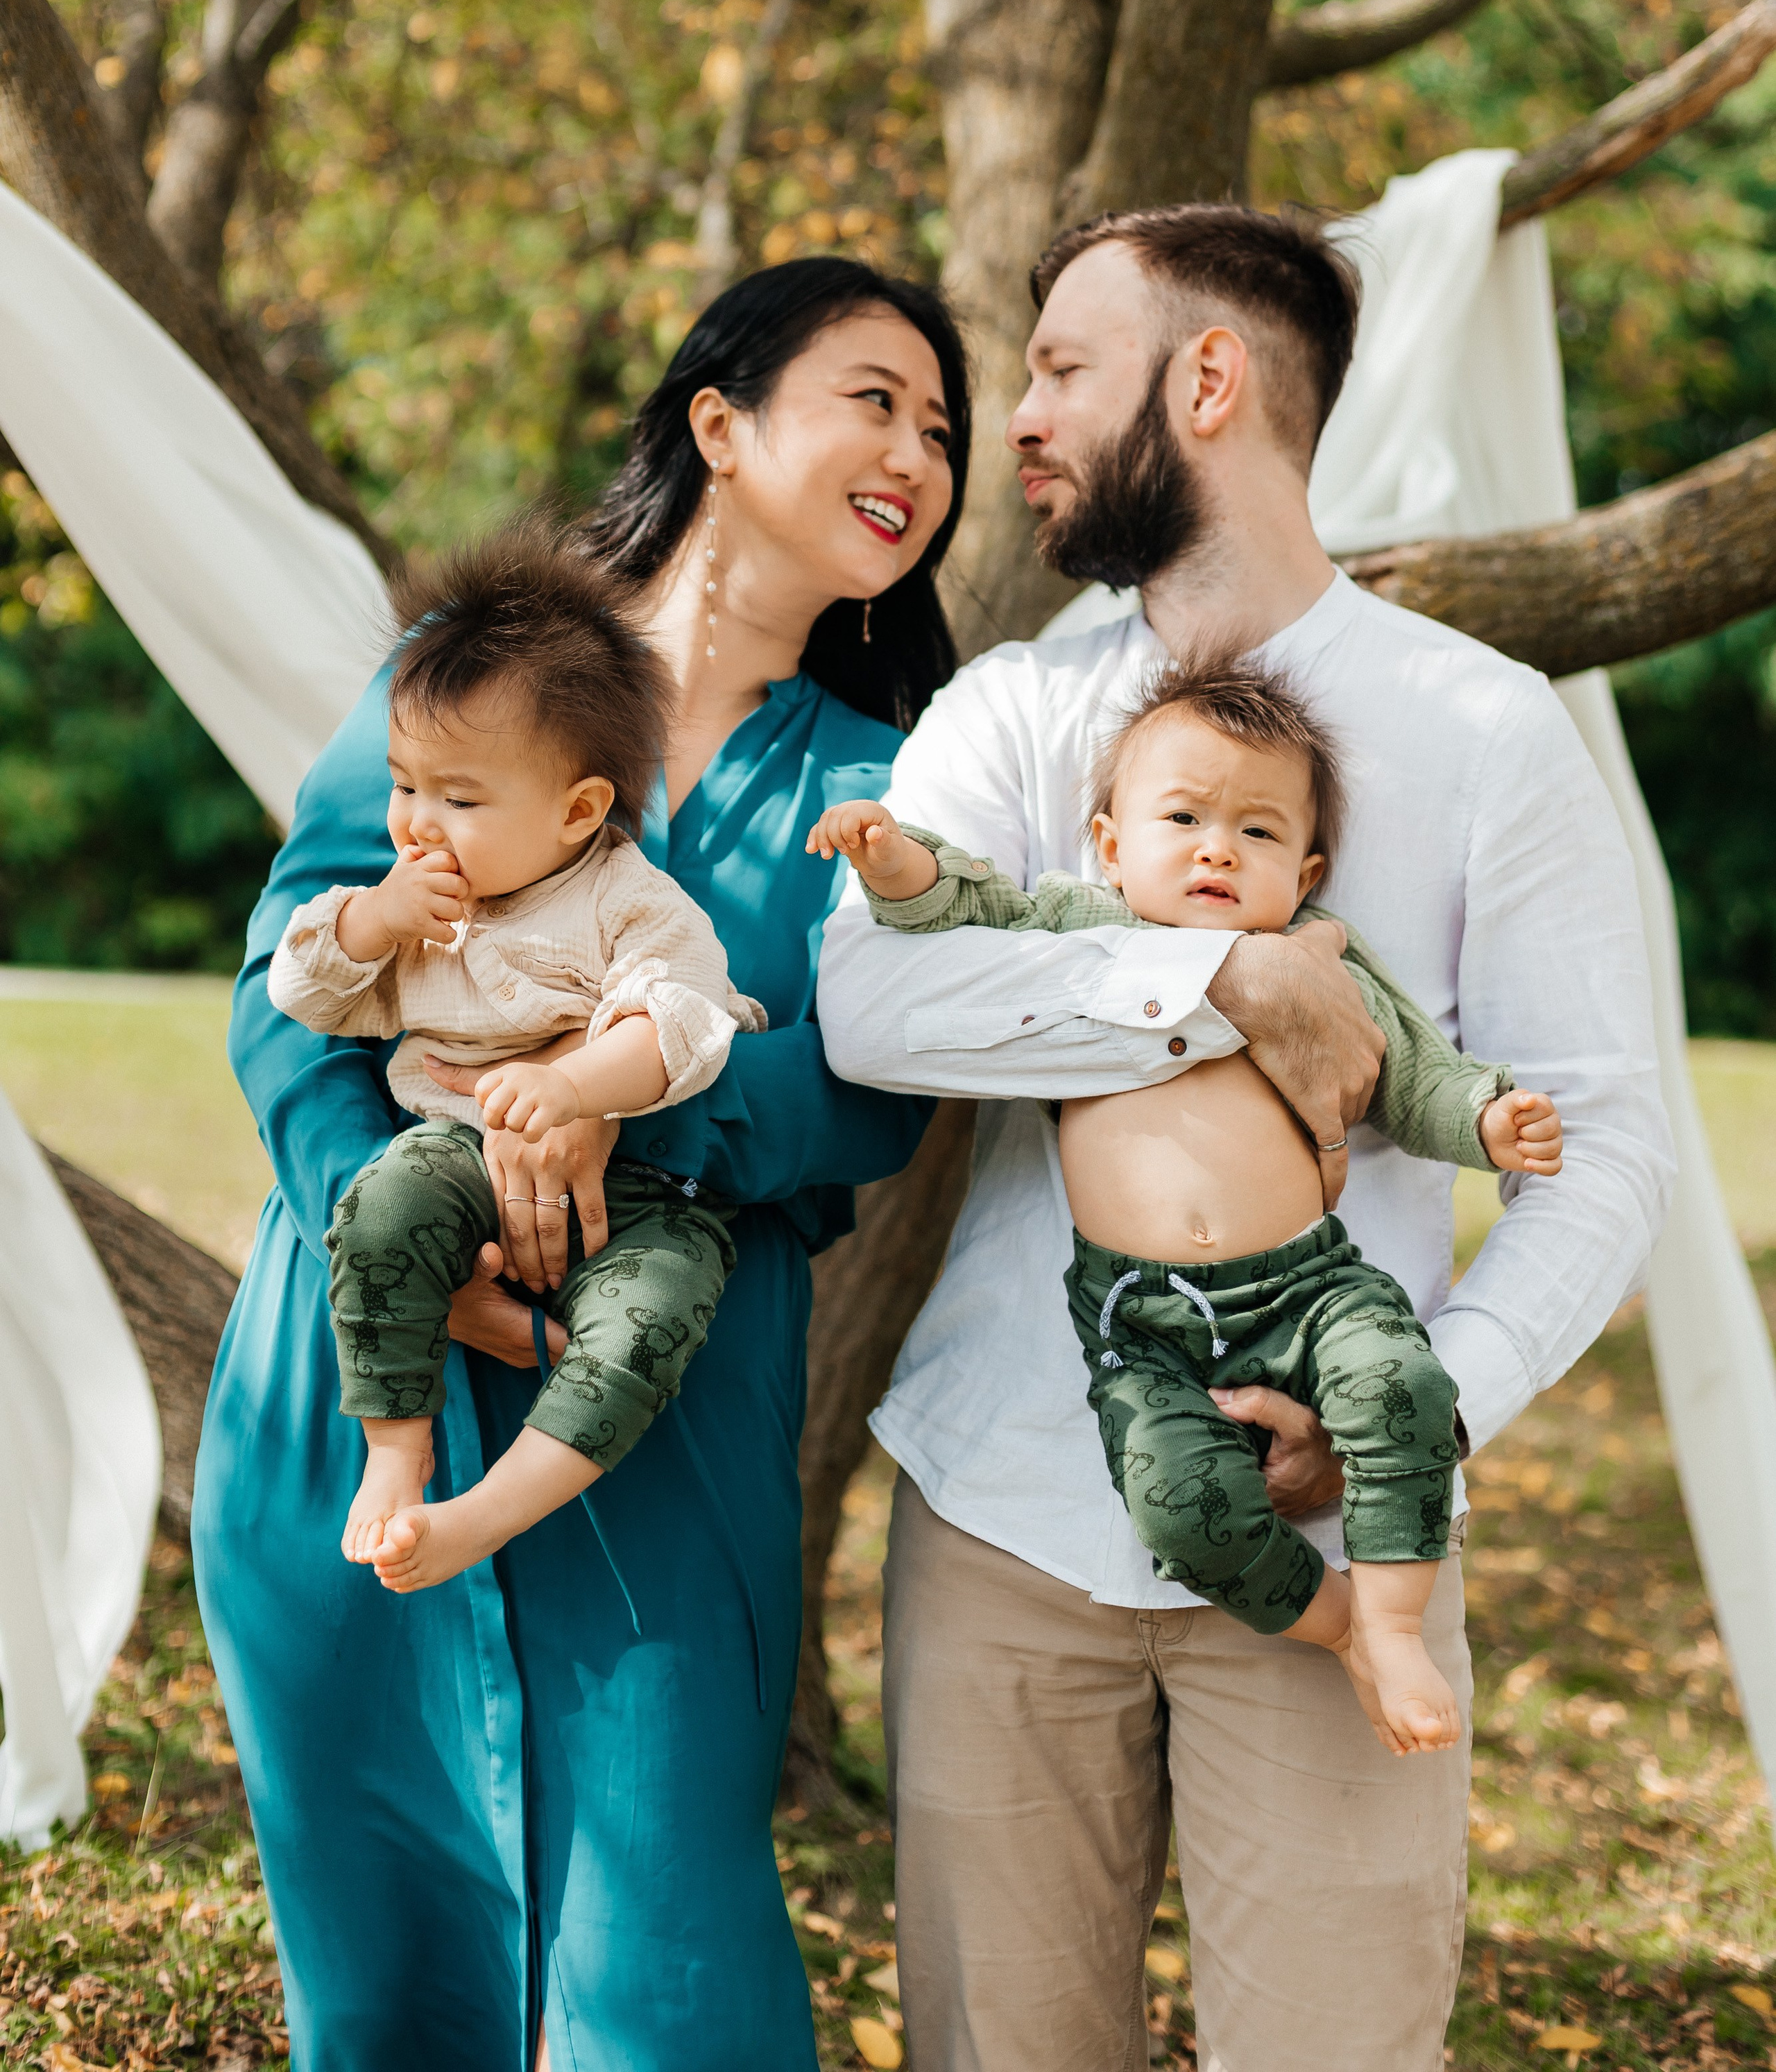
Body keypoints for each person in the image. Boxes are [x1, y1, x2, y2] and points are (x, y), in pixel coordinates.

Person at [816, 205, 1674, 2072]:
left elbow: (1597, 1149)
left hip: (1345, 1543)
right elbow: (872, 1005)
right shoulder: (1023, 709)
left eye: (1057, 370)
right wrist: (1223, 978)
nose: (1014, 422)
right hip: (1008, 1518)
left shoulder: (1487, 731)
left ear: (1206, 382)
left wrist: (1429, 1401)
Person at [192, 255, 968, 2072]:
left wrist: (636, 1109)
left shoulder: (896, 773)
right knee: (384, 2000)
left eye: (944, 429)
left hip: (659, 1416)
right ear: (719, 419)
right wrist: (380, 1217)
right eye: (876, 396)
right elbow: (285, 989)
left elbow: (882, 1089)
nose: (920, 455)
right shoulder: (454, 682)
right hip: (350, 1382)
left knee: (666, 1998)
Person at [809, 650, 1564, 1756]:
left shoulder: (1326, 965)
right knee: (1177, 1501)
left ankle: (1396, 1622)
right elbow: (963, 909)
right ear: (1111, 846)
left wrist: (1488, 1118)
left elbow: (1413, 1074)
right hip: (1137, 1320)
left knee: (1400, 1386)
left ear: (1304, 873)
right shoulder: (1074, 925)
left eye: (1258, 833)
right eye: (1184, 818)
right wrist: (892, 861)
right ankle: (1336, 1622)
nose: (1219, 847)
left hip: (1310, 1290)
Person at [270, 525, 765, 1589]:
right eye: (405, 787)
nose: (416, 825)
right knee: (384, 1205)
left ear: (579, 810)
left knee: (653, 1317)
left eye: (458, 798)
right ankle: (397, 1454)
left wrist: (577, 1086)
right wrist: (369, 921)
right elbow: (301, 992)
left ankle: (490, 1513)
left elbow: (684, 1016)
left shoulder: (624, 898)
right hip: (453, 1148)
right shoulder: (415, 899)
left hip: (643, 1187)